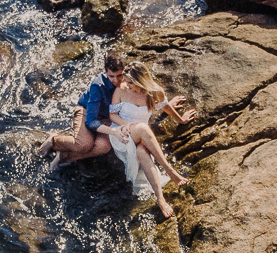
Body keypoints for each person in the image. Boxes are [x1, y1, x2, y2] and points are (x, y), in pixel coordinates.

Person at [105, 61, 195, 218]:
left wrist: (181, 120)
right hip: (122, 135)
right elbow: (112, 115)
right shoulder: (121, 90)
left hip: (140, 138)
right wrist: (127, 125)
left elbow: (165, 106)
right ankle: (170, 170)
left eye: (131, 82)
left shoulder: (155, 93)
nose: (126, 84)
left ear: (141, 81)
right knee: (142, 128)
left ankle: (160, 198)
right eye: (126, 81)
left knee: (141, 151)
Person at [37, 52, 125, 166]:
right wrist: (113, 131)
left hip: (108, 117)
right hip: (87, 111)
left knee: (103, 146)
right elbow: (90, 121)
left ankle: (64, 157)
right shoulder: (98, 85)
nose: (116, 80)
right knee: (84, 145)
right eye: (111, 76)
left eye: (119, 76)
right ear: (106, 72)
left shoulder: (127, 81)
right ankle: (54, 140)